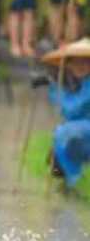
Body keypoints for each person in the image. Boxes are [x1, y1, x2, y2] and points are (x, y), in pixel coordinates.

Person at [42, 38, 90, 187]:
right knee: (58, 152)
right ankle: (70, 185)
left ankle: (73, 181)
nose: (80, 66)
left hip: (83, 134)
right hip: (79, 138)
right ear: (68, 64)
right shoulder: (71, 83)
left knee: (62, 133)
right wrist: (52, 85)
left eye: (85, 62)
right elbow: (64, 107)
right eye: (75, 62)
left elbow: (72, 109)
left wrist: (53, 87)